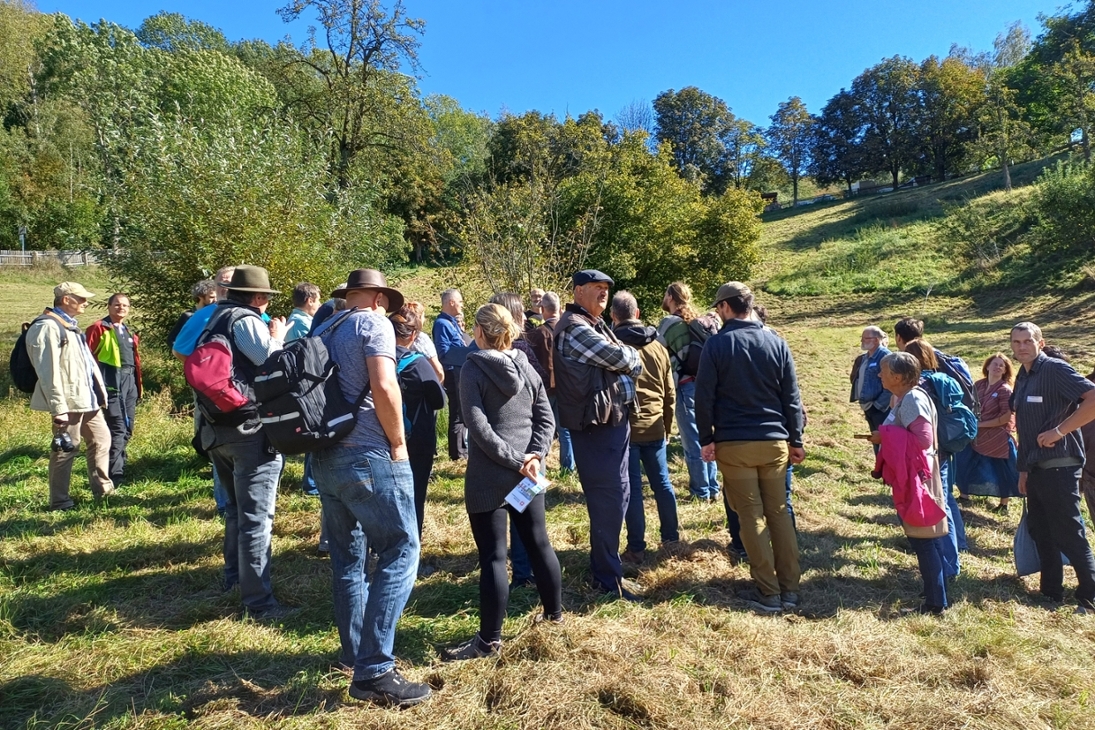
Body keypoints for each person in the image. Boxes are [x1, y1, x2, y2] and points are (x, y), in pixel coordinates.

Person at [310, 269, 431, 707]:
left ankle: (354, 655)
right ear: (380, 297)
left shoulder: (325, 325)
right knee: (401, 548)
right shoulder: (373, 322)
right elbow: (384, 384)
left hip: (324, 457)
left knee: (348, 558)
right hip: (368, 455)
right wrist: (399, 444)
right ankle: (376, 670)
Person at [442, 303, 562, 660]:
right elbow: (546, 418)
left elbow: (477, 428)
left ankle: (488, 641)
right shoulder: (526, 366)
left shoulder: (472, 368)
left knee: (494, 557)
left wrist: (515, 460)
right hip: (527, 472)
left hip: (489, 478)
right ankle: (555, 618)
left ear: (479, 333)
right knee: (539, 543)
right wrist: (533, 457)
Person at [695, 281, 804, 613]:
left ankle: (768, 592)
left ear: (726, 307)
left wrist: (706, 438)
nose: (717, 313)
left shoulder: (717, 345)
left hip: (735, 444)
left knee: (751, 517)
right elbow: (792, 396)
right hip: (775, 443)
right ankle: (791, 589)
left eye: (717, 308)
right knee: (780, 513)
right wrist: (796, 438)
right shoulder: (776, 342)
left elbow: (704, 397)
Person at [193, 266, 291, 621]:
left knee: (235, 512)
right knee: (257, 519)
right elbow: (271, 362)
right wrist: (278, 335)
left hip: (216, 428)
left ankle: (233, 579)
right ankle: (259, 603)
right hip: (249, 430)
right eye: (265, 298)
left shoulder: (212, 318)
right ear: (259, 297)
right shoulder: (245, 320)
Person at [553, 269, 643, 600]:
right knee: (609, 501)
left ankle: (608, 569)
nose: (603, 293)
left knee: (617, 497)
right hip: (597, 427)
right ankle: (607, 579)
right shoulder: (577, 329)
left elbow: (627, 359)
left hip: (608, 423)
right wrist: (630, 358)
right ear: (578, 291)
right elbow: (623, 356)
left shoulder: (593, 323)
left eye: (606, 288)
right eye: (596, 288)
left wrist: (629, 359)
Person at [1010, 321, 1095, 612]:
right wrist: (1023, 469)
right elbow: (1025, 426)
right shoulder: (1023, 376)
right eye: (1016, 342)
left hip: (1060, 465)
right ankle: (1051, 593)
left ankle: (1089, 596)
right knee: (1042, 531)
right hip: (1035, 468)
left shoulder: (1054, 370)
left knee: (1068, 532)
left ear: (1040, 343)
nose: (1022, 347)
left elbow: (1093, 399)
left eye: (1027, 341)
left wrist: (1060, 431)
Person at [871, 352, 951, 615]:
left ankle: (935, 603)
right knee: (927, 538)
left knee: (923, 539)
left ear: (897, 376)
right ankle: (934, 591)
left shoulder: (913, 398)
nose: (879, 374)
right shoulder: (908, 397)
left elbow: (923, 439)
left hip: (919, 478)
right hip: (919, 475)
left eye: (883, 371)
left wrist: (884, 435)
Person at [26, 282, 114, 510]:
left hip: (86, 399)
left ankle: (103, 491)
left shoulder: (69, 326)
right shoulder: (47, 327)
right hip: (69, 401)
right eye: (81, 298)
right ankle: (59, 501)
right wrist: (59, 408)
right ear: (66, 299)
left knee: (102, 440)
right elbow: (48, 372)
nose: (85, 302)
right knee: (66, 449)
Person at [611, 291, 679, 563]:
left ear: (613, 317)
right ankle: (671, 540)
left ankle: (636, 547)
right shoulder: (658, 348)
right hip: (654, 426)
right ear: (637, 314)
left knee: (634, 490)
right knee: (663, 484)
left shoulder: (613, 348)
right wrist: (666, 427)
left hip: (625, 429)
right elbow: (670, 393)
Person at [173, 266, 236, 515]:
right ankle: (225, 504)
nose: (226, 287)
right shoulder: (204, 315)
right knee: (219, 446)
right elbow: (180, 349)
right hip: (214, 395)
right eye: (222, 283)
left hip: (248, 396)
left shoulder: (254, 314)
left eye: (232, 282)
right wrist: (204, 377)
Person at [902, 340, 965, 579]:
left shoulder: (919, 386)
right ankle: (955, 553)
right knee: (946, 499)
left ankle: (947, 564)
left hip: (929, 453)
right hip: (945, 447)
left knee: (938, 504)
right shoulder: (943, 380)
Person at [657, 282, 721, 503]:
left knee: (691, 439)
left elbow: (657, 352)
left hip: (684, 386)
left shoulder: (668, 323)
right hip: (707, 386)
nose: (664, 298)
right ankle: (713, 487)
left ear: (671, 297)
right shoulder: (697, 321)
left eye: (666, 294)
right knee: (707, 436)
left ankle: (700, 492)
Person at [390, 304, 447, 538]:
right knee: (415, 490)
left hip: (382, 434)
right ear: (413, 335)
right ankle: (413, 538)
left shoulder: (374, 361)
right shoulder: (418, 363)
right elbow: (439, 401)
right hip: (417, 437)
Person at [85, 293, 142, 484]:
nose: (121, 308)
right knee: (117, 426)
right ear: (108, 307)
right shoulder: (98, 328)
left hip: (129, 382)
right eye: (117, 305)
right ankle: (114, 474)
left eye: (125, 305)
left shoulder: (129, 331)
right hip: (111, 383)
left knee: (127, 427)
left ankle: (117, 463)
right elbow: (87, 358)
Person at [954, 353, 1020, 512]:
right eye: (995, 364)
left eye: (1001, 365)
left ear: (1005, 370)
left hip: (997, 437)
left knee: (1003, 470)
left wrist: (981, 424)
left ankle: (1004, 504)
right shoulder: (979, 385)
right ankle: (964, 495)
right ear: (988, 366)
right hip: (976, 434)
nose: (997, 367)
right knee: (964, 461)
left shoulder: (1005, 390)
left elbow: (1005, 417)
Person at [526, 291, 574, 472]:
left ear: (543, 309)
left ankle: (539, 466)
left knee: (540, 428)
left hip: (544, 388)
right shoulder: (570, 330)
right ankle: (568, 468)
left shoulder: (537, 334)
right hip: (567, 386)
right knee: (565, 429)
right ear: (560, 309)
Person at [434, 288, 469, 460]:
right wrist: (466, 353)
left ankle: (462, 449)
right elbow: (443, 352)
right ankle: (457, 453)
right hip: (452, 372)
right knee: (456, 412)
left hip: (459, 370)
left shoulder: (451, 322)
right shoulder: (441, 324)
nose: (462, 305)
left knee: (462, 411)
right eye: (460, 301)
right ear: (451, 302)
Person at [850, 325, 892, 452]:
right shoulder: (865, 357)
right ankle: (879, 468)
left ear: (876, 340)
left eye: (866, 338)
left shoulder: (886, 357)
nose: (862, 341)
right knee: (875, 440)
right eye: (862, 338)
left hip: (880, 409)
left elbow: (890, 386)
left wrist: (878, 406)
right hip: (869, 407)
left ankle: (885, 469)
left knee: (884, 442)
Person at [167, 279, 217, 348]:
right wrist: (186, 356)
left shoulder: (216, 315)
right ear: (200, 296)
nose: (215, 300)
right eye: (211, 297)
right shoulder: (188, 316)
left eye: (217, 297)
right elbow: (171, 340)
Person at [405, 301, 444, 382]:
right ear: (419, 318)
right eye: (423, 316)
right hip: (423, 384)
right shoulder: (421, 338)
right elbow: (438, 370)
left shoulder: (398, 335)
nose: (425, 320)